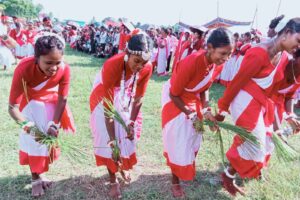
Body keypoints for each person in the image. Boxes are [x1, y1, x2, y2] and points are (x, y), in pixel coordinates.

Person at [216, 18, 300, 196]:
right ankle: (228, 175)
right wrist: (222, 108)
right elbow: (237, 83)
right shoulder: (259, 53)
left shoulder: (284, 56)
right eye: (298, 40)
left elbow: (278, 92)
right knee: (256, 145)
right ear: (286, 33)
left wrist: (286, 114)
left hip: (261, 103)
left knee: (263, 142)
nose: (298, 46)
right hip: (244, 101)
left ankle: (229, 175)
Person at [161, 27, 234, 198]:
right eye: (223, 53)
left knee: (194, 138)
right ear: (209, 48)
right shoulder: (192, 62)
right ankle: (175, 181)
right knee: (179, 142)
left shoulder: (217, 65)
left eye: (229, 54)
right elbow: (174, 93)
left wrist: (206, 109)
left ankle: (184, 167)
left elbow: (205, 88)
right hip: (176, 101)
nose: (226, 58)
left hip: (193, 100)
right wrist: (192, 115)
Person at [8, 34, 75, 197]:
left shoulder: (64, 69)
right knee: (34, 140)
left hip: (50, 104)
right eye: (48, 63)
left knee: (47, 140)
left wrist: (55, 123)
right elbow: (12, 107)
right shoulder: (24, 68)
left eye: (57, 62)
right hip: (30, 103)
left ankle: (41, 173)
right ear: (36, 58)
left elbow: (62, 98)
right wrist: (29, 128)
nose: (53, 68)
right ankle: (35, 178)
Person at [89, 32, 153, 199]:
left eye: (144, 63)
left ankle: (123, 165)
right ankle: (112, 179)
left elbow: (138, 98)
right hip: (104, 95)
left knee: (127, 133)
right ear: (127, 53)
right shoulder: (113, 65)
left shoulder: (146, 67)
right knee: (109, 136)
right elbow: (109, 110)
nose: (140, 66)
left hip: (126, 94)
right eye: (136, 61)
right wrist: (112, 141)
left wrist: (131, 122)